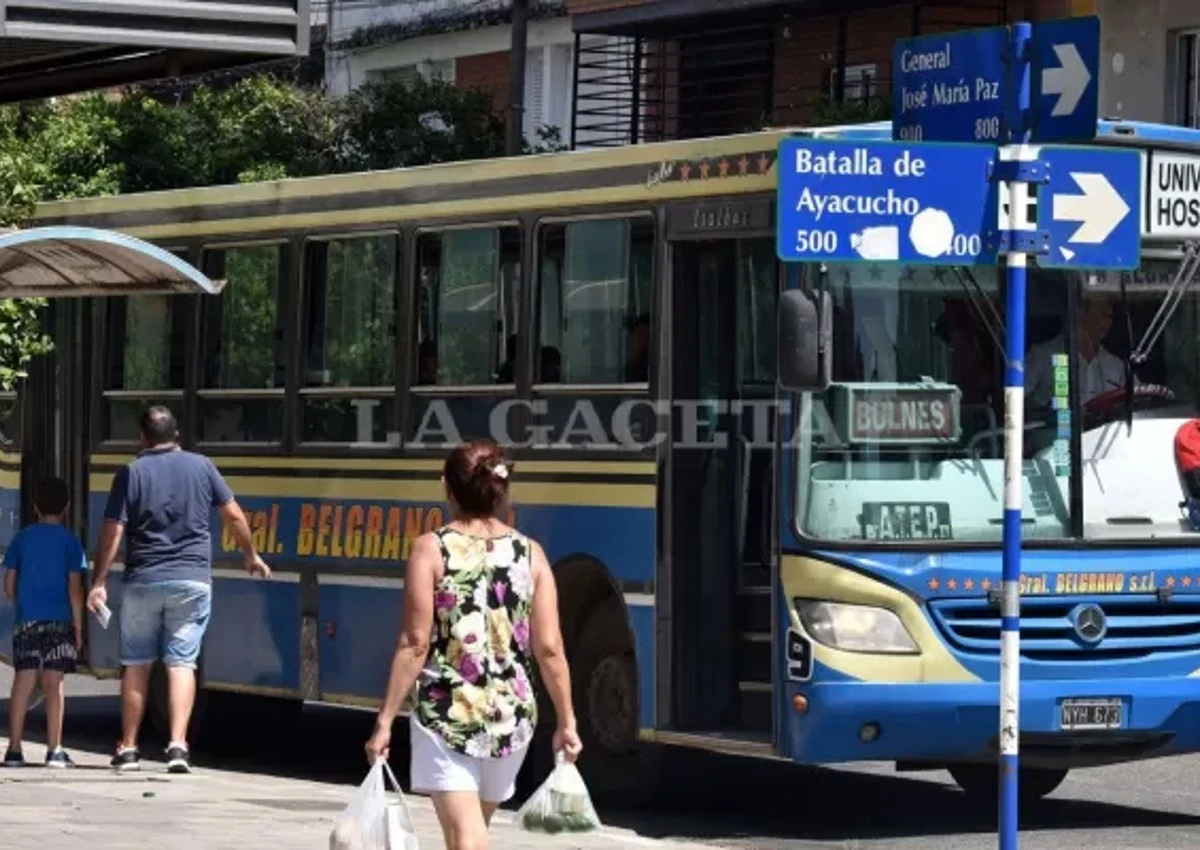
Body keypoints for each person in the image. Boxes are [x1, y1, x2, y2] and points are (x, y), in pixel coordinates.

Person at [364, 438, 582, 850]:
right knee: (467, 831)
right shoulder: (531, 554)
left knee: (466, 837)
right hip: (511, 718)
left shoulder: (431, 549)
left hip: (447, 713)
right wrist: (567, 721)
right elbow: (550, 648)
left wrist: (385, 720)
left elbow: (414, 642)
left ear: (448, 488)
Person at [86, 405, 271, 774]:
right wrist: (250, 554)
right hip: (192, 581)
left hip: (143, 579)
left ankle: (129, 748)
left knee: (137, 665)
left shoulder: (131, 473)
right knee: (182, 663)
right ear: (177, 436)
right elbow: (233, 514)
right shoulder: (202, 466)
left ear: (141, 437)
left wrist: (100, 580)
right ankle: (177, 746)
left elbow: (113, 531)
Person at [2, 477, 86, 768]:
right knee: (54, 683)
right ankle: (55, 749)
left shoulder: (21, 538)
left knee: (23, 681)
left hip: (28, 620)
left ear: (35, 506)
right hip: (59, 621)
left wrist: (20, 601)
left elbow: (9, 584)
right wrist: (78, 626)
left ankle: (14, 749)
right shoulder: (71, 542)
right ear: (66, 507)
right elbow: (75, 590)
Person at [1026, 293, 1128, 409]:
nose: (1108, 322)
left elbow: (1141, 397)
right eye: (1102, 312)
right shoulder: (1042, 356)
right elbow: (1015, 403)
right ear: (1080, 311)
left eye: (1110, 316)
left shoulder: (1116, 366)